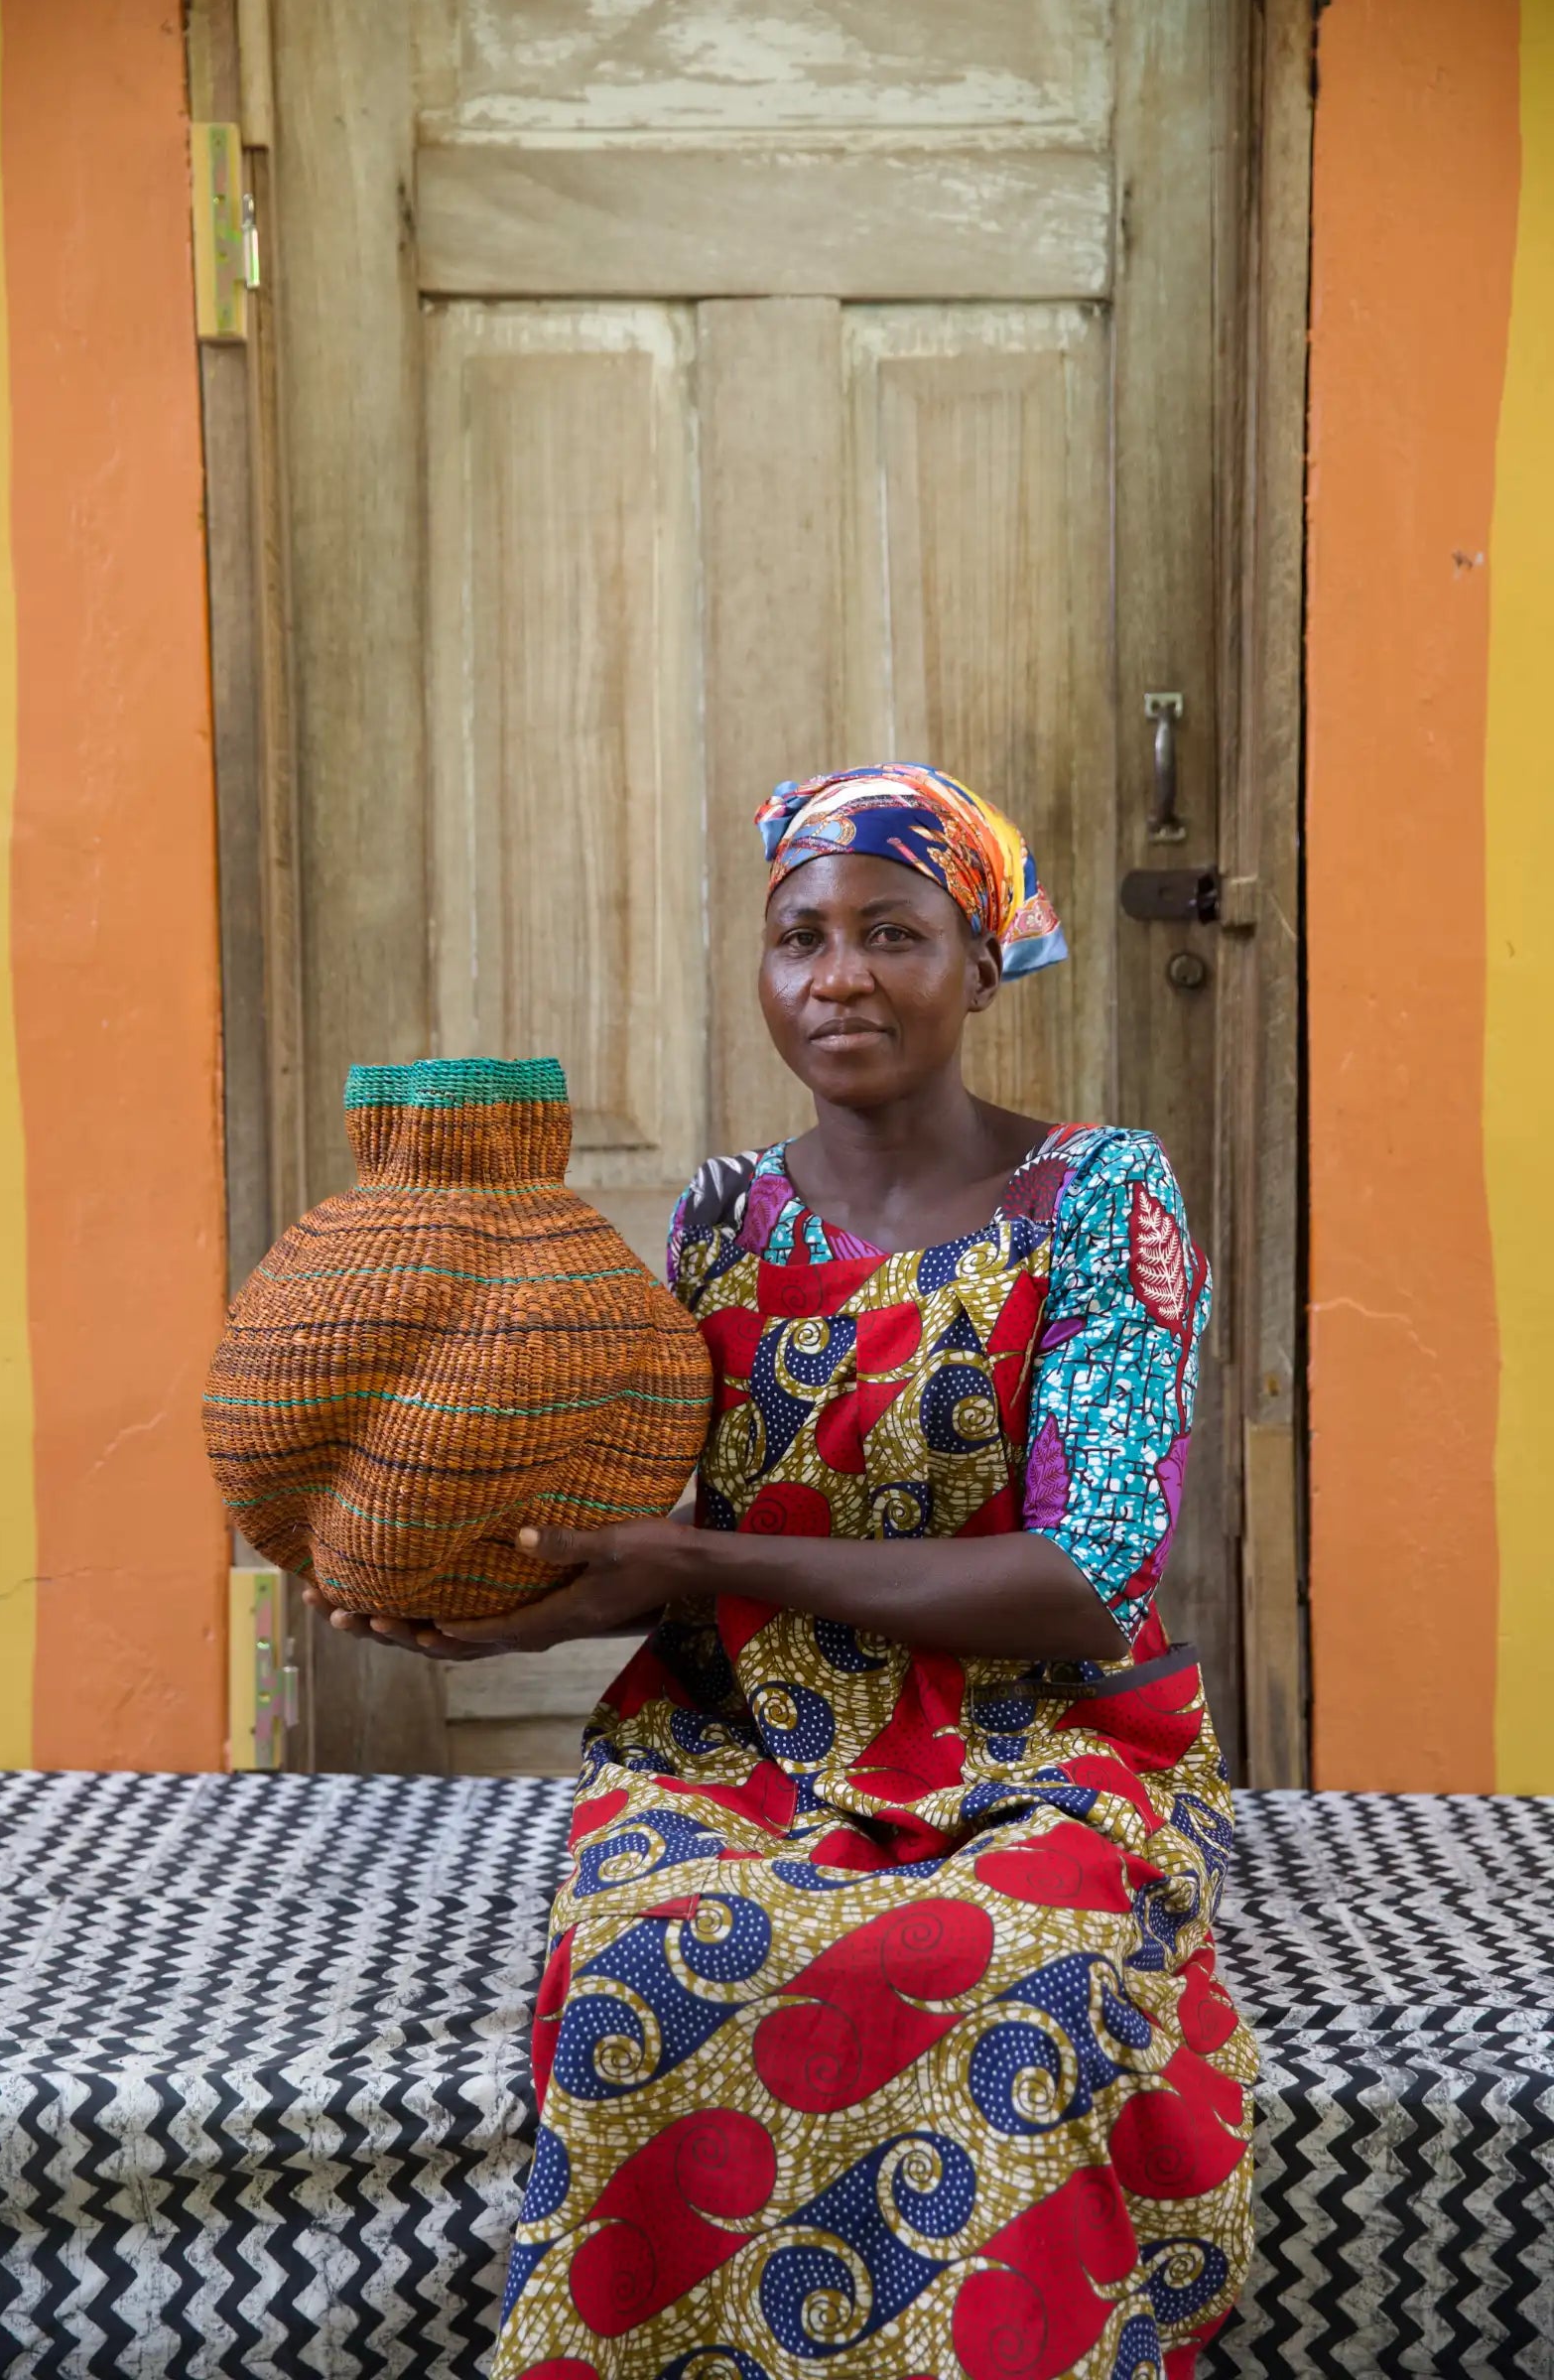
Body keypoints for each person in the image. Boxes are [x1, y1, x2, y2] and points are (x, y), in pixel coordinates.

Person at [308, 762, 1256, 2380]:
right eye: (798, 936)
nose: (837, 977)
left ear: (981, 958)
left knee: (1000, 1960)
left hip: (1043, 1744)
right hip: (736, 1739)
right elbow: (673, 1557)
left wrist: (695, 1555)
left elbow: (1090, 1578)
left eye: (892, 932)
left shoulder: (1101, 1199)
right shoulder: (726, 1217)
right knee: (652, 1951)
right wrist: (493, 1617)